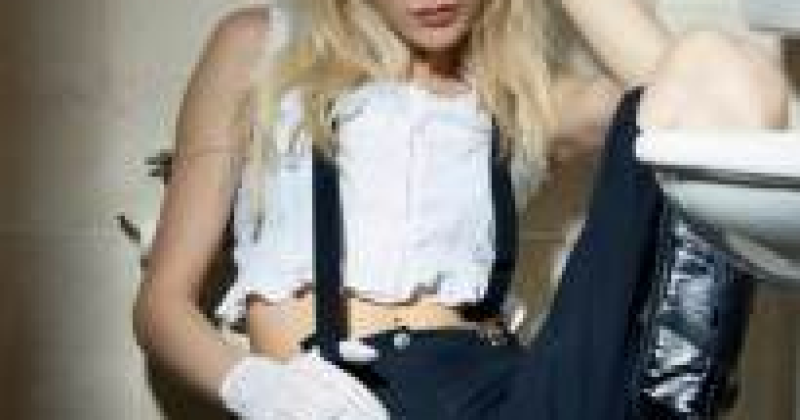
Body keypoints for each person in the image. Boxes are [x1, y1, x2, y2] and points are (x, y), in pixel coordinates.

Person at [132, 0, 789, 418]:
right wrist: (259, 389)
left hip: (507, 389)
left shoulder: (524, 97)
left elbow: (711, 96)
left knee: (719, 64)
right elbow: (162, 304)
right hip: (336, 395)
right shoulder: (260, 46)